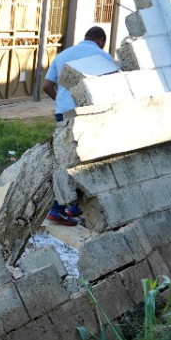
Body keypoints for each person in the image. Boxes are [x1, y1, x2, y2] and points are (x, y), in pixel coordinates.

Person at [41, 25, 110, 225]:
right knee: (83, 160)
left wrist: (60, 102)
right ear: (101, 41)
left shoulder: (63, 55)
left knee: (68, 158)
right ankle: (58, 208)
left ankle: (74, 207)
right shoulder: (102, 57)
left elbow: (46, 86)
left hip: (63, 114)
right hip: (88, 114)